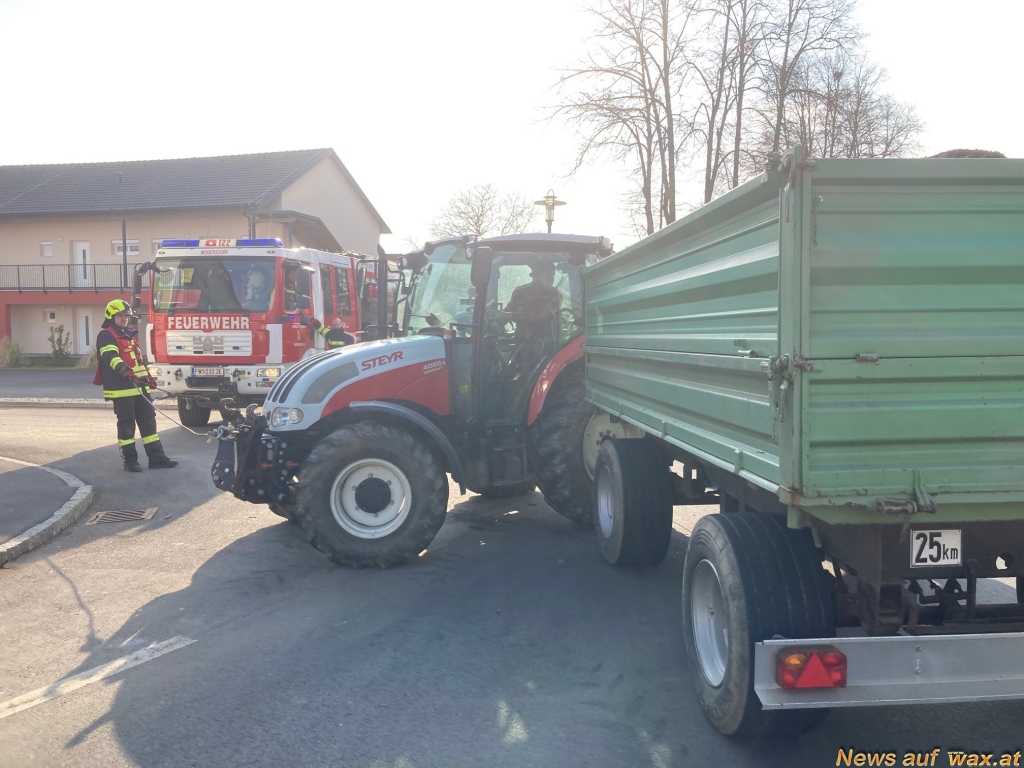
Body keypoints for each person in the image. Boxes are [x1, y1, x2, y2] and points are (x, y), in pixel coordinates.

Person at [94, 300, 178, 472]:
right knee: (127, 426)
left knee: (149, 423)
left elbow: (138, 362)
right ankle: (130, 461)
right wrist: (126, 371)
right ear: (111, 317)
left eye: (126, 316)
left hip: (140, 388)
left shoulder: (127, 335)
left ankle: (157, 458)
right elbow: (110, 357)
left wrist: (148, 378)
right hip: (122, 390)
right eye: (120, 316)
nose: (124, 319)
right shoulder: (107, 336)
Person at [497, 262, 562, 339]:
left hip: (547, 342)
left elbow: (542, 315)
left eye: (551, 276)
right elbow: (508, 311)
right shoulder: (519, 292)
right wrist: (497, 323)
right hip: (520, 339)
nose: (550, 280)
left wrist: (511, 315)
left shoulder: (555, 295)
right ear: (533, 275)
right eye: (543, 275)